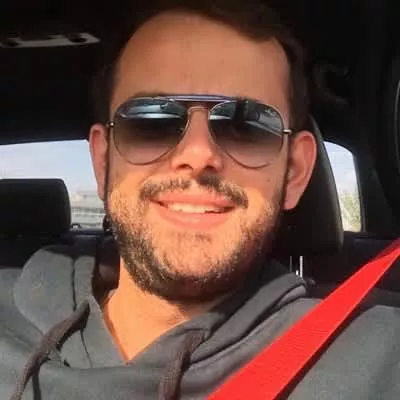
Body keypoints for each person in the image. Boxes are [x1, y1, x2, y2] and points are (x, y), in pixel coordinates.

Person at [2, 1, 400, 399]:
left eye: (246, 124)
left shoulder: (380, 355)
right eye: (151, 120)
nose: (197, 154)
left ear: (295, 171)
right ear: (103, 160)